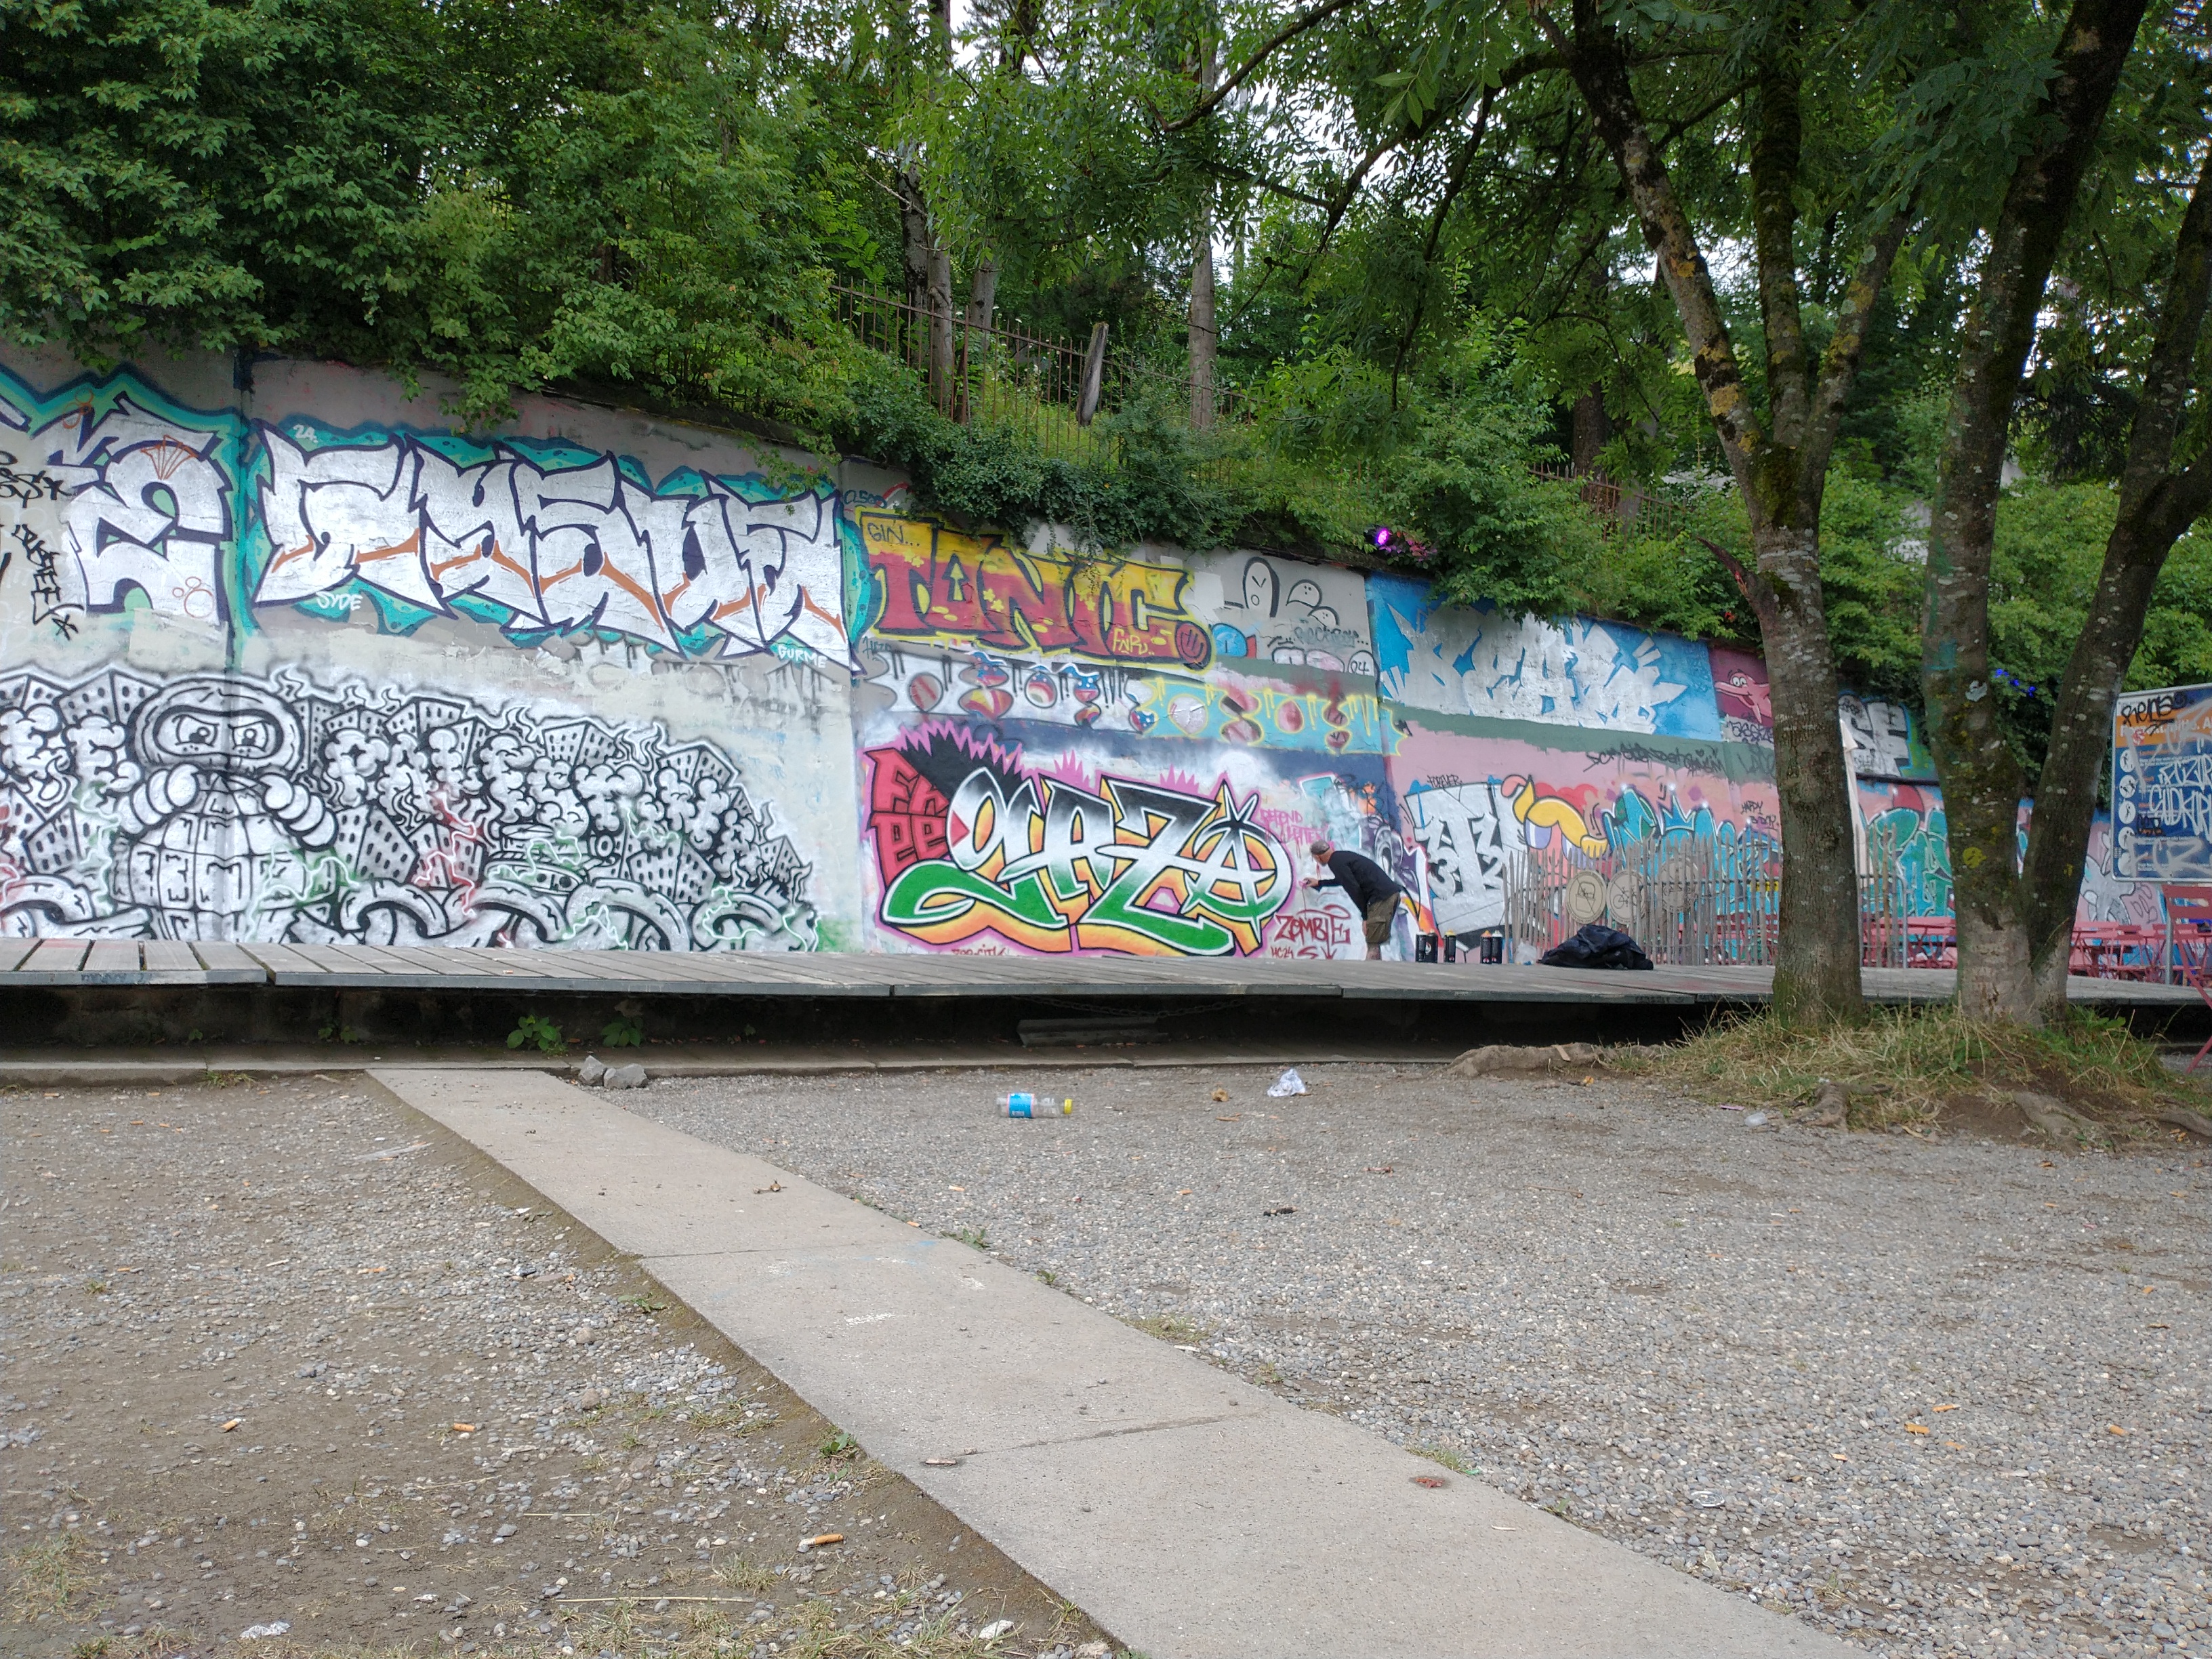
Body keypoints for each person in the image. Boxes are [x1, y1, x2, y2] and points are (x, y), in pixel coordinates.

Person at [1305, 838, 1403, 960]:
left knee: (1372, 941)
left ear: (1318, 857)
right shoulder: (1341, 858)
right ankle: (1374, 969)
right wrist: (1320, 883)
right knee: (1374, 941)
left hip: (1382, 898)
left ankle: (1370, 970)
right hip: (1388, 894)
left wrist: (1365, 917)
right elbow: (1345, 880)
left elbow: (1353, 889)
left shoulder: (1335, 863)